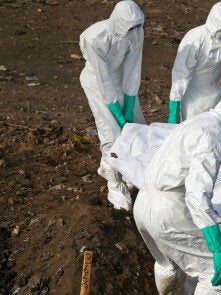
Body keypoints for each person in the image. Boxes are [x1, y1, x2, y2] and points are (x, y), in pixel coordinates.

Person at [133, 82, 221, 295]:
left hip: (144, 203)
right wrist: (216, 248)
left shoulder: (199, 121)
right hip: (169, 211)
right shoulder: (211, 136)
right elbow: (197, 194)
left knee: (168, 261)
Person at [79, 0, 146, 211]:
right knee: (112, 133)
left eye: (138, 26)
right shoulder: (95, 38)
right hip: (97, 83)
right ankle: (115, 185)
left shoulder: (136, 33)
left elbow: (133, 69)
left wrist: (130, 103)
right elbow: (103, 79)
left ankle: (124, 169)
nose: (134, 31)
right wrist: (117, 114)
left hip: (119, 80)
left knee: (138, 127)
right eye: (130, 26)